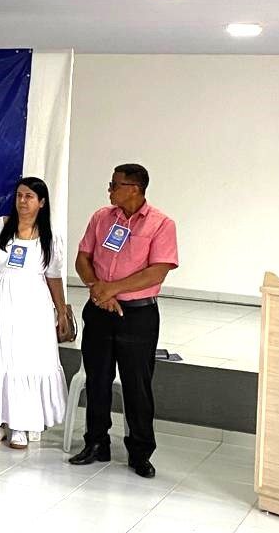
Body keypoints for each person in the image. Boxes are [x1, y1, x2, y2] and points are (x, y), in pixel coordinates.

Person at [68, 163, 178, 479]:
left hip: (138, 315)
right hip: (100, 310)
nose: (109, 190)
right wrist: (97, 289)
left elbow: (157, 271)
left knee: (136, 385)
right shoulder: (101, 218)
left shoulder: (161, 224)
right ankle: (96, 442)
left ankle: (140, 452)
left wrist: (112, 288)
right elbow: (83, 258)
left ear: (134, 189)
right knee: (97, 379)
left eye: (114, 185)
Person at [0, 177, 69, 449]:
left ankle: (20, 423)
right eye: (19, 195)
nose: (22, 201)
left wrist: (61, 310)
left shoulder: (50, 238)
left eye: (29, 196)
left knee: (24, 359)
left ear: (41, 202)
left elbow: (54, 277)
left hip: (32, 306)